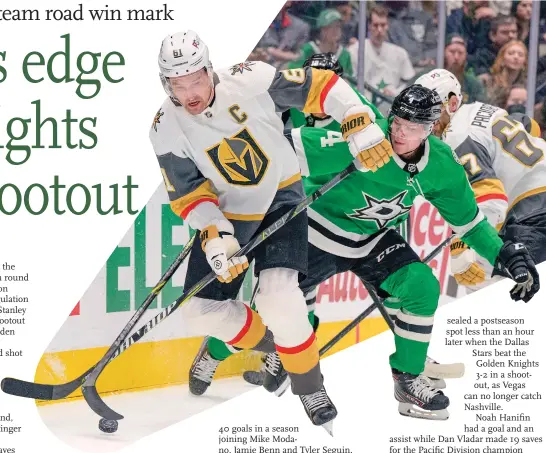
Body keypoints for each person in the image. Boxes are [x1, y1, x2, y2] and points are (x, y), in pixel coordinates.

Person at [189, 84, 540, 421]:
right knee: (276, 321)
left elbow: (470, 224)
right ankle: (214, 352)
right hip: (316, 234)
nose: (399, 133)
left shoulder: (443, 166)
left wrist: (504, 254)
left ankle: (408, 378)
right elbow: (277, 150)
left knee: (421, 287)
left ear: (430, 129)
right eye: (397, 122)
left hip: (373, 240)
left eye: (412, 127)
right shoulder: (364, 138)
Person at [149, 30, 393, 432]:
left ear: (210, 71)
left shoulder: (251, 79)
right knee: (198, 312)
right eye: (178, 83)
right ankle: (280, 346)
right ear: (166, 84)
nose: (191, 92)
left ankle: (309, 383)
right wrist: (214, 234)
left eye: (196, 79)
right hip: (231, 214)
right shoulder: (164, 128)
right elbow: (189, 193)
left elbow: (322, 84)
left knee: (280, 299)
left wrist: (358, 119)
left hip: (281, 196)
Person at [415, 68, 545, 293]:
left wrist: (462, 244)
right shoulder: (481, 109)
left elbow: (492, 199)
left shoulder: (457, 136)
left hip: (533, 209)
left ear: (452, 103)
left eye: (432, 110)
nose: (426, 119)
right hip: (535, 199)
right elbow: (527, 124)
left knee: (503, 284)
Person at [288, 9, 353, 78]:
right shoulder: (308, 50)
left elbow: (350, 81)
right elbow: (293, 74)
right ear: (322, 30)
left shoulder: (345, 54)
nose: (335, 30)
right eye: (331, 27)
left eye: (338, 26)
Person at [485, 40, 527, 111]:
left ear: (525, 62)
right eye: (511, 53)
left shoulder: (528, 85)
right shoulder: (489, 81)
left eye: (520, 55)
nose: (516, 57)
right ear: (502, 59)